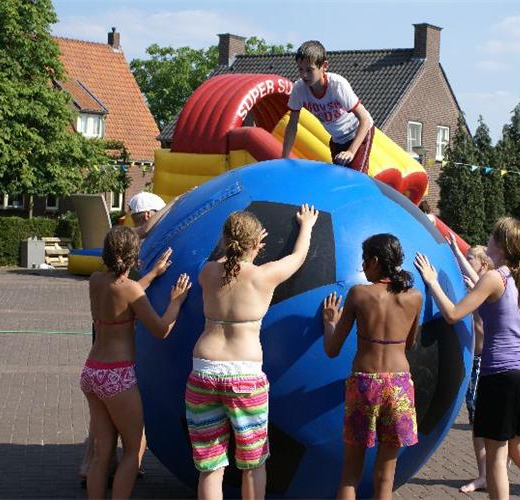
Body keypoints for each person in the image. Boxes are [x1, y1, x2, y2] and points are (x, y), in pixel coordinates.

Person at [414, 217, 520, 500]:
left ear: (501, 245)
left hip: (502, 377)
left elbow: (453, 314)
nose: (488, 239)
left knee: (496, 457)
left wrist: (432, 282)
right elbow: (489, 289)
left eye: (492, 236)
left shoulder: (494, 278)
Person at [186, 205, 319, 500]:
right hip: (243, 376)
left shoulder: (207, 273)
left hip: (203, 371)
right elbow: (297, 257)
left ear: (225, 240)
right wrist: (307, 226)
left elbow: (226, 265)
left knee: (210, 466)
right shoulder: (262, 276)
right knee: (253, 462)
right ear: (258, 242)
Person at [81, 226, 191, 499]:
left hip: (92, 372)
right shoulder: (130, 289)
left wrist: (152, 275)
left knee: (102, 451)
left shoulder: (96, 280)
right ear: (135, 257)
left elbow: (123, 296)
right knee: (133, 450)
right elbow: (161, 329)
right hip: (117, 377)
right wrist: (176, 302)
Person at [322, 234, 422, 500]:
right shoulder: (414, 297)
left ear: (375, 261)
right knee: (386, 477)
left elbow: (332, 350)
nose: (363, 266)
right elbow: (410, 343)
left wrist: (330, 322)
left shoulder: (359, 294)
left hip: (365, 384)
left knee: (350, 475)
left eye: (365, 260)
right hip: (399, 386)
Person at [282, 40, 375, 173]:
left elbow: (364, 120)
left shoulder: (337, 85)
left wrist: (351, 151)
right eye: (300, 69)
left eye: (309, 70)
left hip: (358, 132)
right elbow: (292, 125)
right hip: (337, 139)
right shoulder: (299, 89)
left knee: (355, 176)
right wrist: (284, 158)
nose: (304, 75)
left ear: (324, 66)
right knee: (337, 178)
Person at [448, 240, 493, 493]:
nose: (465, 263)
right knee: (478, 422)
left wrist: (457, 252)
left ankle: (488, 473)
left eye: (470, 259)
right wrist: (456, 252)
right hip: (477, 361)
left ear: (483, 264)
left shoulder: (488, 287)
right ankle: (485, 474)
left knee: (482, 422)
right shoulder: (477, 286)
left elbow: (479, 284)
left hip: (485, 363)